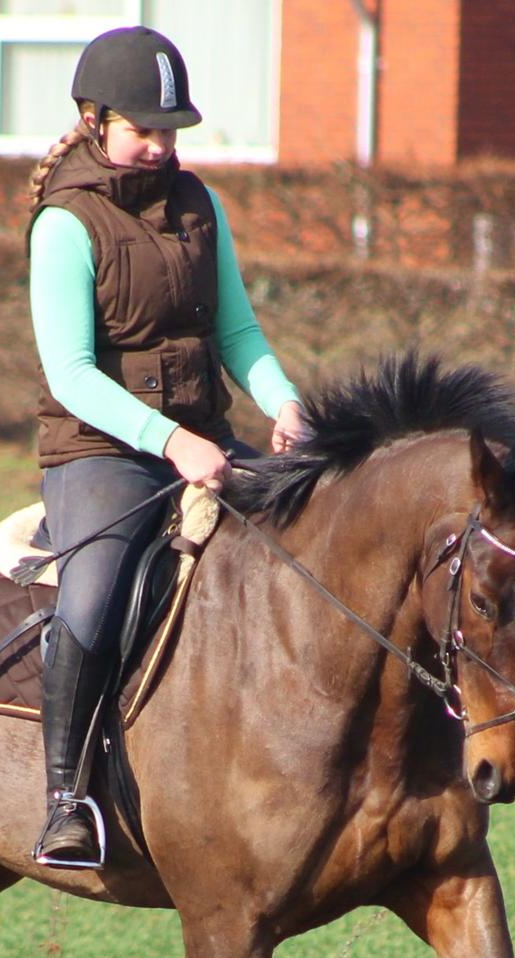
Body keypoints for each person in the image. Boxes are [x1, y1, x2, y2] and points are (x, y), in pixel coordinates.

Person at [27, 25, 306, 869]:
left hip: (204, 438)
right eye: (143, 130)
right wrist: (172, 440)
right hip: (98, 452)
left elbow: (236, 330)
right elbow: (71, 374)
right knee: (95, 595)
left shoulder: (199, 205)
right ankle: (67, 797)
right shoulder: (64, 226)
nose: (159, 146)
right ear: (93, 120)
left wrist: (284, 402)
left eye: (170, 132)